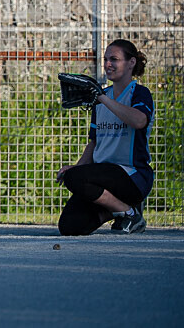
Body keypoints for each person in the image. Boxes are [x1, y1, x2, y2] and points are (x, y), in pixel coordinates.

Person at [56, 40, 154, 235]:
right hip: (103, 176)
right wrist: (77, 167)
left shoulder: (139, 93)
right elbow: (94, 142)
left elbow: (139, 121)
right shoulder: (100, 99)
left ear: (131, 63)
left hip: (132, 176)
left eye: (114, 59)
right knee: (70, 226)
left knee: (76, 178)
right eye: (106, 59)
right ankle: (120, 209)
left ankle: (130, 213)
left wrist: (102, 98)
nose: (108, 64)